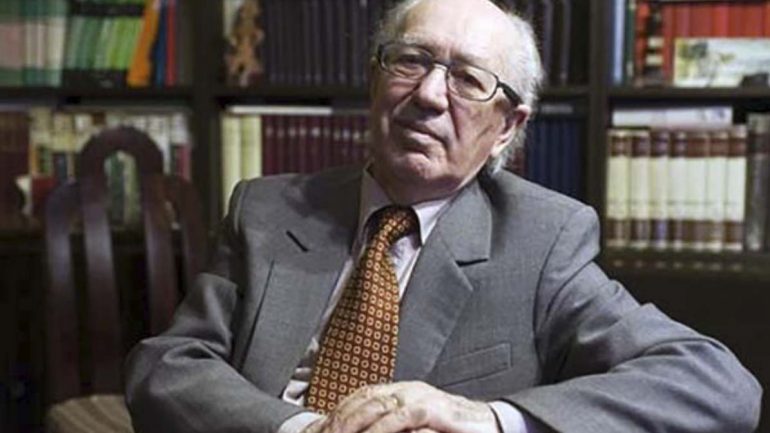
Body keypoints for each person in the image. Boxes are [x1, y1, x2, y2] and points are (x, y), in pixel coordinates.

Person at [125, 0, 762, 431]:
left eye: (468, 80)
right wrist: (300, 429)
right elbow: (167, 367)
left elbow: (716, 384)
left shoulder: (542, 240)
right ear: (375, 80)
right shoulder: (266, 211)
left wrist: (484, 418)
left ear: (506, 126)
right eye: (411, 60)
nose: (429, 95)